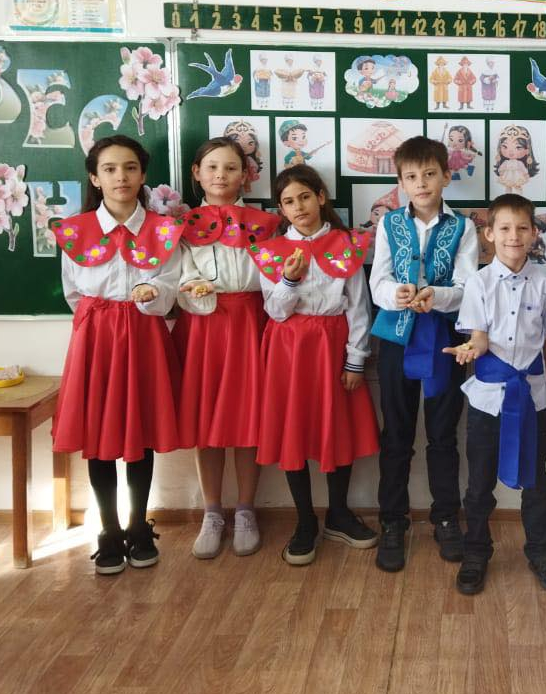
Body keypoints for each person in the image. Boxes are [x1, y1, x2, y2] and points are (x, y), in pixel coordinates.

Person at [49, 135, 184, 575]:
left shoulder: (163, 231)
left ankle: (138, 526)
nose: (120, 177)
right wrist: (105, 320)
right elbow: (74, 293)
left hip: (144, 336)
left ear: (142, 175)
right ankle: (108, 530)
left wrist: (149, 295)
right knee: (99, 436)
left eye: (129, 168)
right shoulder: (75, 231)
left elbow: (169, 288)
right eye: (109, 169)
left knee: (141, 434)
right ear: (95, 177)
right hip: (96, 340)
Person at [253, 166, 380, 565]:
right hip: (290, 352)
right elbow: (275, 311)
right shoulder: (272, 252)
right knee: (295, 429)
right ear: (281, 210)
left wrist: (356, 361)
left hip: (333, 346)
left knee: (336, 427)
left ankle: (338, 514)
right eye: (289, 202)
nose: (299, 207)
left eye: (305, 197)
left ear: (321, 197)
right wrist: (289, 281)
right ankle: (304, 520)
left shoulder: (345, 245)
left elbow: (359, 307)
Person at [444, 194, 546, 595]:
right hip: (488, 400)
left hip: (533, 398)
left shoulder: (545, 285)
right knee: (479, 483)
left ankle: (540, 550)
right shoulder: (478, 283)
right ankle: (476, 551)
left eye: (522, 228)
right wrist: (470, 349)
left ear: (534, 233)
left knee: (537, 481)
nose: (514, 236)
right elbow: (479, 337)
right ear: (490, 234)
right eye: (505, 228)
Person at [368, 137, 478, 572]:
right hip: (396, 341)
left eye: (430, 174)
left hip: (444, 341)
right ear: (400, 182)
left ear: (446, 176)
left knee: (443, 434)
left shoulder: (464, 227)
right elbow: (377, 280)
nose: (422, 183)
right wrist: (395, 294)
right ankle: (393, 521)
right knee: (396, 435)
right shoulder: (389, 223)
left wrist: (438, 295)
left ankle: (446, 517)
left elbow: (468, 286)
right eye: (411, 177)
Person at [174, 138, 281, 559]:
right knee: (207, 421)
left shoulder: (266, 224)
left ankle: (246, 510)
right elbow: (179, 274)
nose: (221, 175)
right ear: (197, 173)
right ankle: (212, 511)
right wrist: (193, 287)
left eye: (231, 167)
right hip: (204, 326)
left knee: (249, 418)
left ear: (245, 175)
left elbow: (273, 275)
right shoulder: (183, 225)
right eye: (212, 167)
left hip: (252, 322)